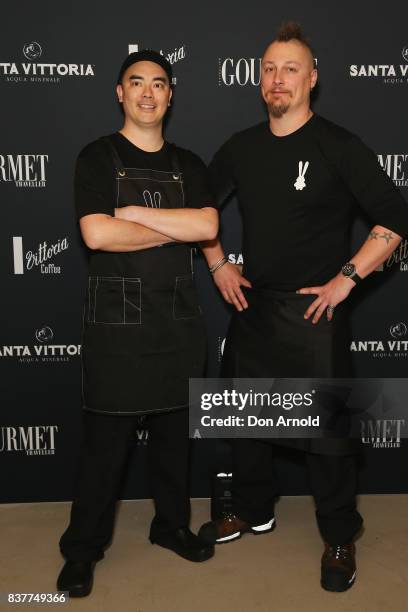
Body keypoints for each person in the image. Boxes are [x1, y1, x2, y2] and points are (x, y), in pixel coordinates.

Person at [198, 22, 408, 592]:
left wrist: (346, 279)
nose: (277, 79)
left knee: (328, 440)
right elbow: (201, 211)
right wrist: (219, 263)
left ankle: (340, 534)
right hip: (254, 307)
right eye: (268, 68)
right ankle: (252, 508)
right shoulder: (241, 147)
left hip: (315, 314)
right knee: (245, 421)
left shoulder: (338, 145)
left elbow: (397, 221)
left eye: (290, 68)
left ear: (312, 78)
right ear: (258, 79)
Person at [57, 50, 218, 597]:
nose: (148, 93)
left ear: (171, 95)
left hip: (177, 321)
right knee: (105, 448)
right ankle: (83, 547)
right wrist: (176, 227)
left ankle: (169, 525)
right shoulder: (96, 157)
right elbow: (97, 236)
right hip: (116, 325)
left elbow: (208, 225)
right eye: (136, 83)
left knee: (175, 442)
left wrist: (134, 215)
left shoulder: (191, 164)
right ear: (119, 93)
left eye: (159, 83)